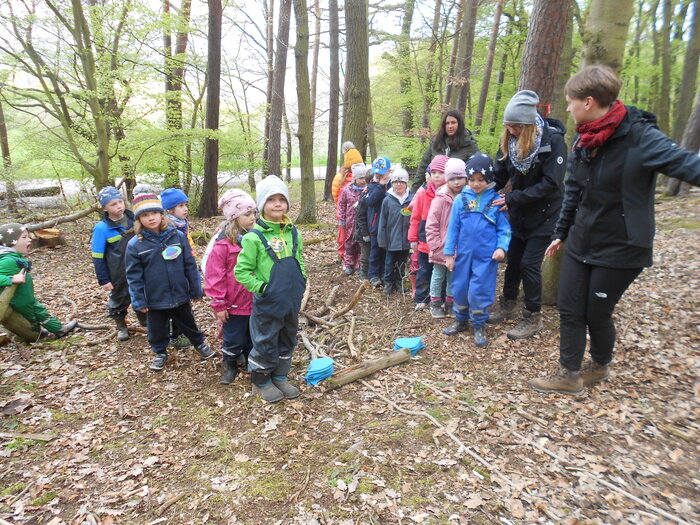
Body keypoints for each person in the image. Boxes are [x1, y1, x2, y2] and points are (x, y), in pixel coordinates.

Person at [529, 65, 700, 395]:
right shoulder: (583, 138)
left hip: (622, 246)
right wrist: (560, 232)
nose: (568, 108)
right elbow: (574, 190)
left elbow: (687, 165)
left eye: (571, 101)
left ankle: (601, 364)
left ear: (589, 101)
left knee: (597, 312)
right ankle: (569, 375)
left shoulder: (641, 138)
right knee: (569, 306)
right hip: (582, 239)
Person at [490, 90, 567, 340]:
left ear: (528, 124)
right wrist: (477, 190)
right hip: (520, 213)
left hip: (545, 214)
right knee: (513, 261)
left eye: (516, 126)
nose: (512, 131)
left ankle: (533, 315)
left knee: (529, 265)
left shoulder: (552, 142)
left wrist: (511, 199)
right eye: (508, 126)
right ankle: (508, 302)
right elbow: (499, 175)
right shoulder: (509, 143)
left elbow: (551, 184)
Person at [234, 175, 307, 404]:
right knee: (266, 340)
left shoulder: (293, 232)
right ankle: (261, 380)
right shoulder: (253, 238)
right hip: (268, 302)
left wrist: (302, 280)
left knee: (287, 338)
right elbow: (242, 272)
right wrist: (263, 288)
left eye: (281, 199)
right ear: (262, 204)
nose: (277, 204)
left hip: (291, 300)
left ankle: (280, 375)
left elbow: (300, 259)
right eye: (271, 200)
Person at [125, 193, 214, 371]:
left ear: (161, 214)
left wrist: (195, 289)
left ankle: (199, 344)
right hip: (155, 298)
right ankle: (160, 352)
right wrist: (139, 300)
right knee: (156, 329)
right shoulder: (135, 245)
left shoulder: (177, 236)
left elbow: (189, 264)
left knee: (188, 322)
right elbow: (133, 276)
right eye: (145, 215)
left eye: (154, 213)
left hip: (179, 293)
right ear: (138, 219)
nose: (151, 218)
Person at [443, 154, 511, 346]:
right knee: (460, 287)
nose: (476, 184)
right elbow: (453, 228)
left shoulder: (497, 200)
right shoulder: (460, 200)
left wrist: (501, 248)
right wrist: (449, 254)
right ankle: (461, 320)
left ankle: (479, 324)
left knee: (479, 290)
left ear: (488, 179)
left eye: (481, 180)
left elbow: (504, 229)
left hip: (486, 257)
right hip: (463, 256)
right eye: (472, 179)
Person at [205, 189, 257, 385]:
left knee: (252, 335)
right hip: (233, 304)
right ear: (234, 218)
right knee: (233, 336)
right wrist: (219, 304)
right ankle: (230, 364)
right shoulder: (223, 246)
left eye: (253, 213)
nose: (253, 217)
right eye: (247, 214)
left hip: (254, 301)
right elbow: (214, 277)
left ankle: (250, 360)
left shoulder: (256, 239)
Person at [0, 224, 77, 339]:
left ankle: (56, 330)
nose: (29, 239)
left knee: (39, 312)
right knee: (33, 317)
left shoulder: (13, 257)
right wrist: (11, 279)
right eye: (24, 237)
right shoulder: (7, 261)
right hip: (19, 302)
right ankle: (42, 334)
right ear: (12, 241)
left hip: (25, 298)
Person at [91, 186, 143, 341]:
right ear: (104, 208)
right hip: (117, 271)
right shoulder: (102, 228)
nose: (119, 206)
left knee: (142, 292)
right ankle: (121, 325)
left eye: (120, 202)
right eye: (113, 204)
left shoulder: (135, 219)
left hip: (139, 266)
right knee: (119, 297)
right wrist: (104, 280)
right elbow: (97, 256)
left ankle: (145, 320)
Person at [425, 157, 468, 318]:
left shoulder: (467, 197)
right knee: (438, 275)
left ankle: (450, 303)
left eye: (460, 178)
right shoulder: (440, 198)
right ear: (447, 180)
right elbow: (431, 223)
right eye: (453, 179)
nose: (456, 182)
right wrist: (435, 245)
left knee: (453, 276)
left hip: (459, 246)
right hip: (440, 246)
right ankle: (435, 303)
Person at [408, 155, 448, 311]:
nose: (437, 175)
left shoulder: (451, 193)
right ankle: (422, 298)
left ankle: (441, 298)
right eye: (434, 172)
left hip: (443, 241)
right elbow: (415, 217)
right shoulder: (423, 193)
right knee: (424, 270)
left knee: (442, 272)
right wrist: (413, 239)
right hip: (424, 240)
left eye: (441, 172)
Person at [160, 187, 196, 350]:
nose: (186, 209)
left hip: (184, 270)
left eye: (186, 205)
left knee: (184, 303)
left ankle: (180, 333)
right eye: (181, 206)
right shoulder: (170, 229)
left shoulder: (181, 225)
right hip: (174, 274)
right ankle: (175, 336)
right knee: (178, 305)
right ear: (169, 209)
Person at [412, 110, 479, 192]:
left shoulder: (469, 145)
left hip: (458, 192)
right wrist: (413, 192)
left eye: (453, 122)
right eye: (447, 123)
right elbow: (422, 168)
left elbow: (477, 170)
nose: (450, 126)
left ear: (459, 124)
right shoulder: (435, 143)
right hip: (433, 191)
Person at [377, 168, 413, 295]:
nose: (398, 184)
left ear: (406, 183)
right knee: (389, 262)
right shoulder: (387, 200)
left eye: (402, 182)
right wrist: (382, 239)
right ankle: (388, 283)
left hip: (405, 239)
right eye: (396, 182)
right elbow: (382, 221)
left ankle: (399, 282)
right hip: (391, 238)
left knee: (402, 263)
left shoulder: (411, 199)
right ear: (392, 183)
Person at [333, 142, 364, 262]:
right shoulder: (342, 179)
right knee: (346, 237)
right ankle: (348, 259)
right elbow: (338, 197)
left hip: (350, 213)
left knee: (349, 237)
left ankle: (352, 259)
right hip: (347, 214)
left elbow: (336, 197)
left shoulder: (341, 177)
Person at [365, 156, 392, 287]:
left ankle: (383, 273)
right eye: (376, 173)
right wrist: (381, 186)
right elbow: (370, 201)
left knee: (386, 251)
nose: (379, 175)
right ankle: (373, 274)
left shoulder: (393, 184)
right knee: (375, 250)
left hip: (388, 225)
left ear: (389, 171)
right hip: (375, 225)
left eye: (382, 173)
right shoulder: (372, 186)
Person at [338, 163, 367, 275]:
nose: (363, 180)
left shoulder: (367, 190)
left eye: (365, 178)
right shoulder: (347, 190)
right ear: (355, 178)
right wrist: (342, 219)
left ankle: (359, 264)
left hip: (362, 223)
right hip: (350, 222)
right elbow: (341, 205)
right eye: (361, 178)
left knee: (361, 244)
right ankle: (348, 264)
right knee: (349, 243)